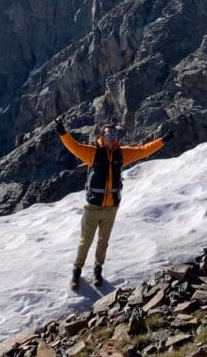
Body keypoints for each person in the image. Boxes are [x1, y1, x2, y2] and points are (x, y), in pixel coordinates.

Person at [55, 116, 172, 289]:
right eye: (109, 133)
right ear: (102, 136)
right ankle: (77, 271)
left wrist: (162, 141)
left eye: (115, 133)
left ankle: (98, 270)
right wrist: (64, 134)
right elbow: (75, 147)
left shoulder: (122, 153)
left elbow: (143, 150)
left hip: (111, 207)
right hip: (93, 206)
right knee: (85, 241)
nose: (113, 136)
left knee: (103, 240)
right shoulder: (92, 153)